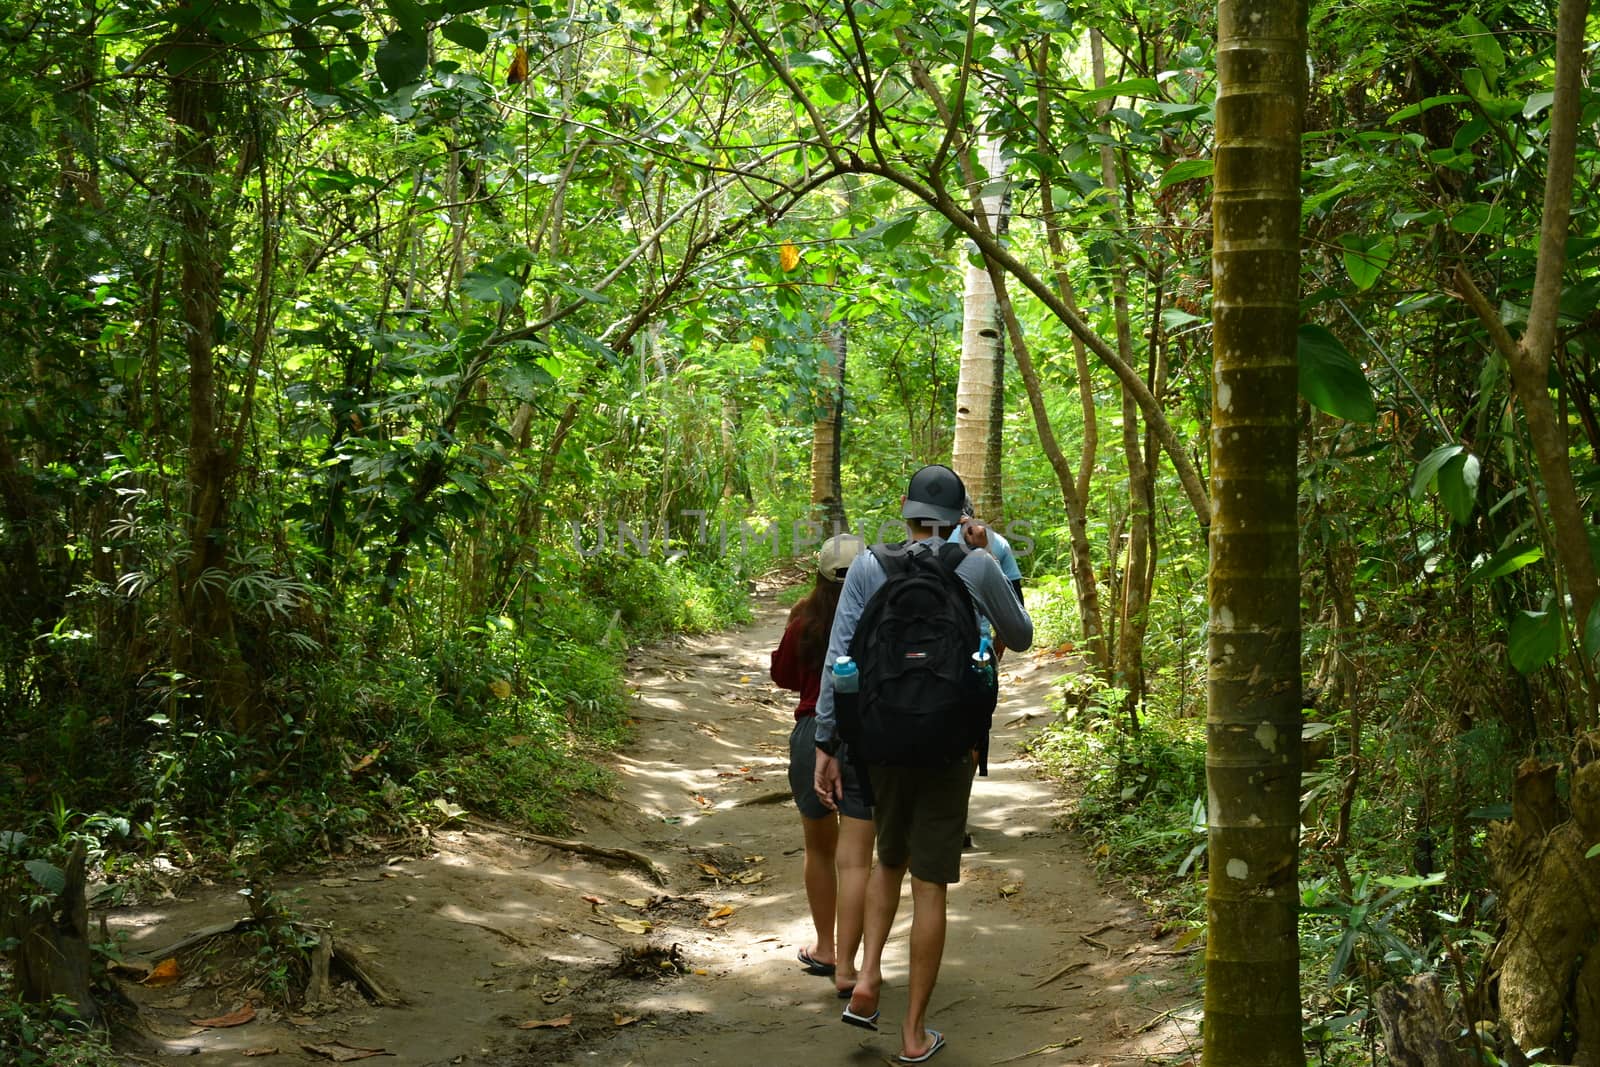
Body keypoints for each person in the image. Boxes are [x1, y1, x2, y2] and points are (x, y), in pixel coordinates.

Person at [812, 464, 1033, 1064]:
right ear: (961, 517)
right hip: (949, 742)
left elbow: (841, 655)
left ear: (906, 512)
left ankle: (868, 979)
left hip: (878, 742)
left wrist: (827, 744)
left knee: (889, 858)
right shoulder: (976, 564)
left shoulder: (868, 565)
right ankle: (913, 1034)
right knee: (929, 884)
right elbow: (1022, 633)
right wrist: (984, 560)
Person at [770, 532, 875, 999]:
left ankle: (827, 948)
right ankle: (859, 961)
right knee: (862, 857)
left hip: (813, 733)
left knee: (819, 848)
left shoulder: (804, 619)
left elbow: (784, 676)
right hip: (868, 736)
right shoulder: (880, 616)